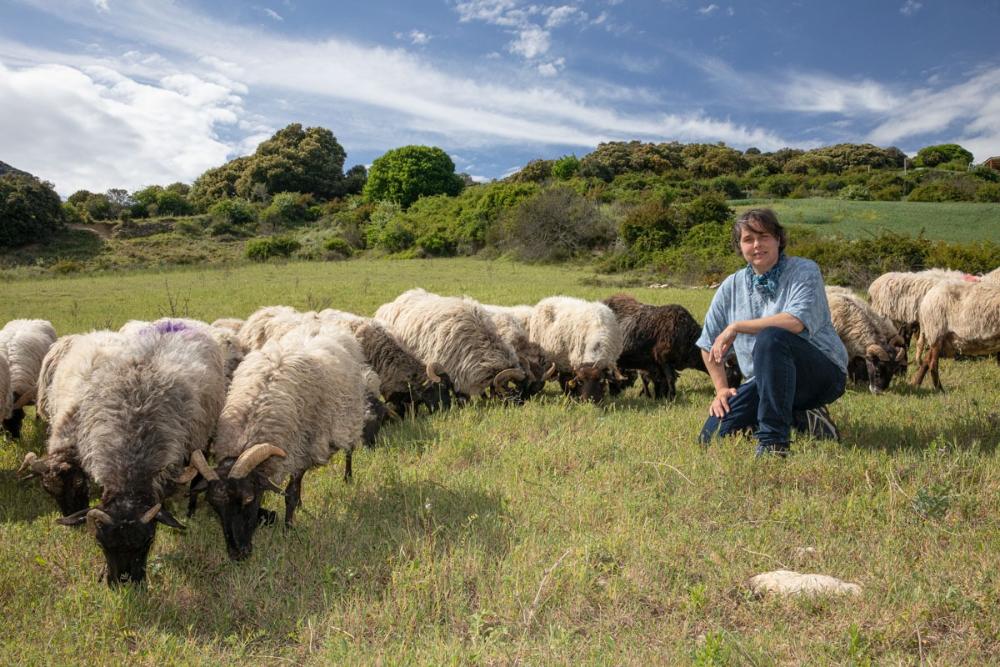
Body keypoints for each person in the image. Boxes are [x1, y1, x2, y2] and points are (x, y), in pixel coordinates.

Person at [696, 208, 847, 456]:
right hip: (764, 382)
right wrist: (721, 389)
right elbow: (707, 344)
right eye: (748, 239)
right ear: (739, 246)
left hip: (820, 374)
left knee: (771, 337)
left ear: (778, 239)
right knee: (712, 435)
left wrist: (737, 326)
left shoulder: (804, 271)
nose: (757, 245)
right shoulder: (731, 286)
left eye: (764, 236)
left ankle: (773, 443)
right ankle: (800, 416)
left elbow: (795, 322)